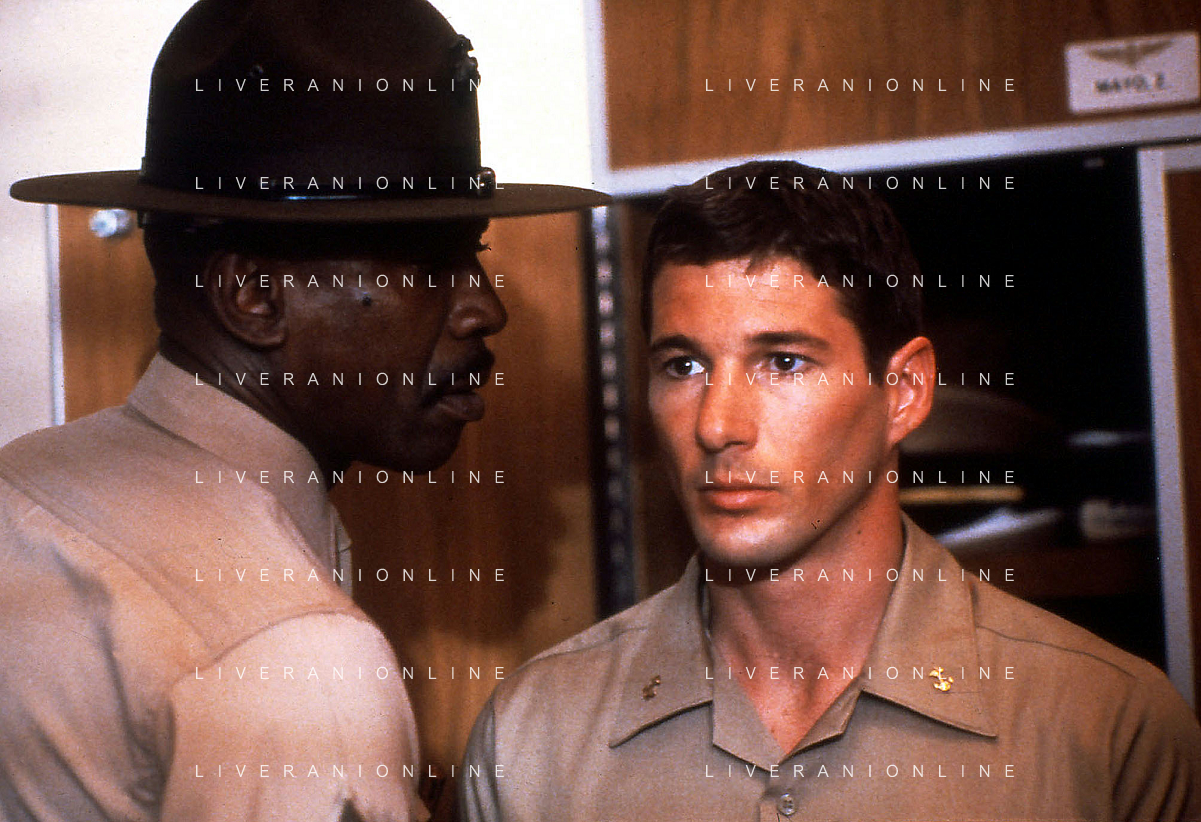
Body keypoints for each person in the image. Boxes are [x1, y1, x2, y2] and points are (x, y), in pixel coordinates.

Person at [0, 1, 605, 820]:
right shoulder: (295, 655)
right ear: (253, 296)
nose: (483, 309)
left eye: (474, 255)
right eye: (429, 265)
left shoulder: (23, 488)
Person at [458, 159, 1201, 821]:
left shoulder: (1106, 731)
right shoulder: (533, 739)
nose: (716, 425)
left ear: (903, 391)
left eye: (782, 362)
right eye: (683, 366)